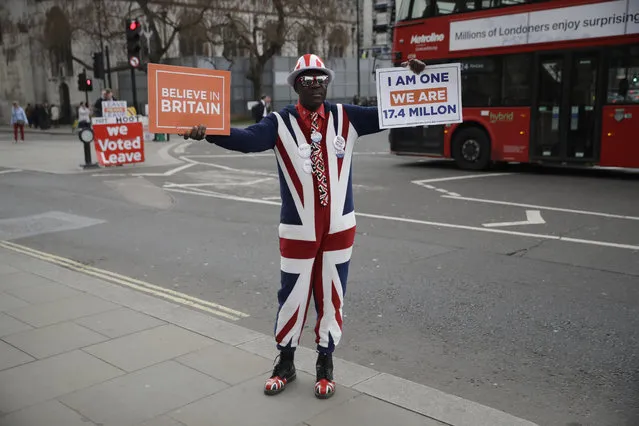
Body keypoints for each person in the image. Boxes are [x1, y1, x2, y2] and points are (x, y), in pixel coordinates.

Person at [182, 54, 426, 399]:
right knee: (292, 295)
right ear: (296, 84)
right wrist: (210, 133)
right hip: (298, 228)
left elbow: (393, 112)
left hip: (339, 227)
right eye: (308, 80)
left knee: (331, 295)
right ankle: (286, 361)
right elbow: (248, 138)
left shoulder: (347, 117)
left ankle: (325, 362)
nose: (316, 85)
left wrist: (412, 79)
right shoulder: (280, 122)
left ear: (327, 83)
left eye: (321, 79)